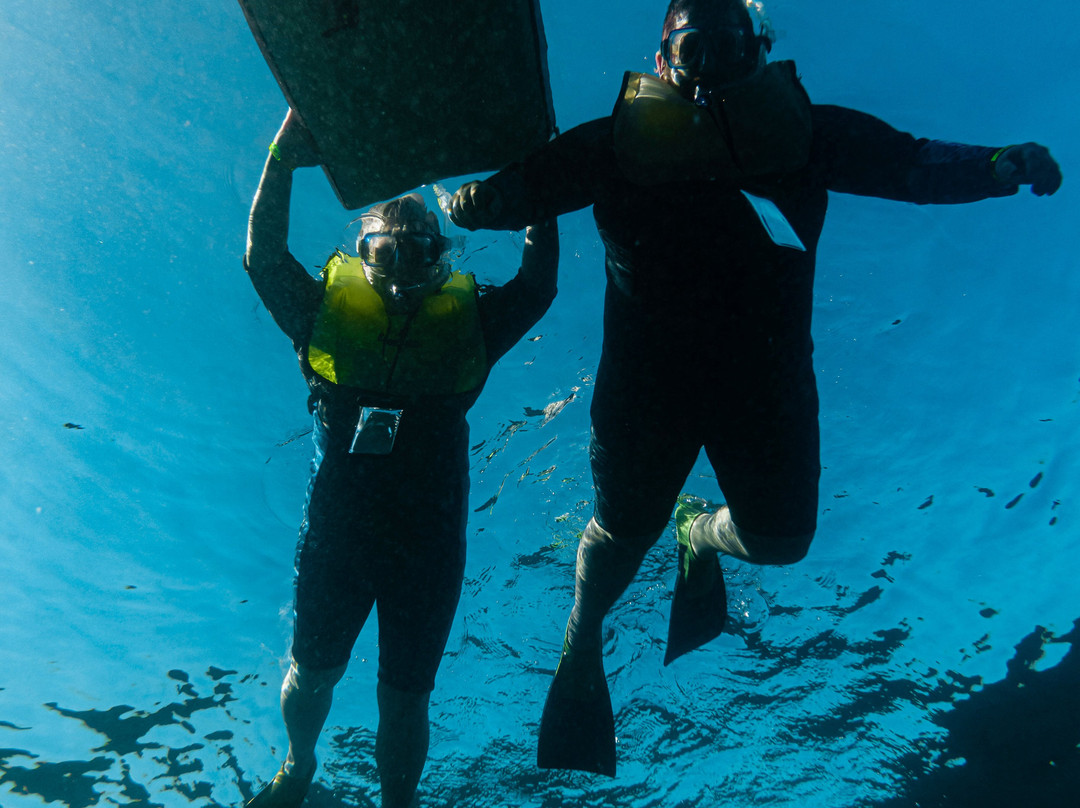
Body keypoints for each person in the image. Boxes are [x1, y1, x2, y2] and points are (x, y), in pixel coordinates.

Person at [448, 0, 1062, 777]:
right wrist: (489, 201)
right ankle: (583, 631)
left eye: (728, 44)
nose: (709, 64)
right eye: (692, 45)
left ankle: (699, 531)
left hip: (763, 381)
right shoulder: (614, 145)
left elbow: (908, 163)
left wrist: (998, 164)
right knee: (618, 532)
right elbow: (534, 185)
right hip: (648, 384)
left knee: (783, 541)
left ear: (758, 50)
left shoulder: (808, 135)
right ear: (665, 56)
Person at [243, 109, 558, 807]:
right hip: (341, 539)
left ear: (442, 259)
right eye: (386, 254)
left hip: (424, 549)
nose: (403, 272)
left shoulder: (467, 324)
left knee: (405, 698)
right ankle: (298, 768)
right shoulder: (325, 312)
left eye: (421, 255)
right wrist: (281, 157)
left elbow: (538, 286)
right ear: (363, 252)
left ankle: (398, 804)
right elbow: (263, 259)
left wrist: (541, 191)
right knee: (312, 671)